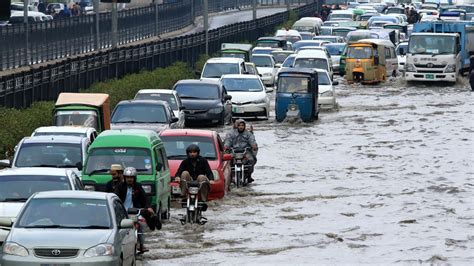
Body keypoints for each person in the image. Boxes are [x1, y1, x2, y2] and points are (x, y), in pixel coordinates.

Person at [117, 167, 157, 253]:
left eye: (131, 178)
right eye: (127, 177)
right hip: (123, 212)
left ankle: (141, 245)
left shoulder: (138, 186)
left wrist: (148, 207)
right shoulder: (120, 187)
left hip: (135, 212)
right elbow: (116, 198)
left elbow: (145, 198)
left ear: (134, 178)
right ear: (124, 178)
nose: (129, 180)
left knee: (142, 224)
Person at [224, 119, 258, 183]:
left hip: (245, 151)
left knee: (251, 160)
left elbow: (252, 140)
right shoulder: (231, 133)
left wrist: (253, 145)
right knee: (227, 161)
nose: (241, 127)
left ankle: (249, 175)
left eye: (242, 125)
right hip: (233, 151)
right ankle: (230, 176)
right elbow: (228, 141)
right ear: (236, 126)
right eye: (239, 125)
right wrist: (226, 146)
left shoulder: (248, 134)